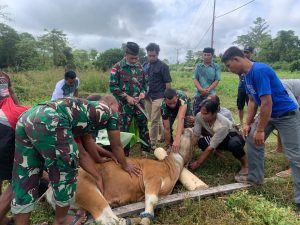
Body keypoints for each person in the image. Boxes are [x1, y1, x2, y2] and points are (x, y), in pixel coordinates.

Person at [11, 96, 140, 225]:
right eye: (118, 108)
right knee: (65, 171)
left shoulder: (83, 111)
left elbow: (83, 152)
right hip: (51, 118)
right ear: (112, 104)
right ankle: (61, 220)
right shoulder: (110, 113)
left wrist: (99, 166)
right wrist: (125, 164)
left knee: (26, 174)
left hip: (28, 116)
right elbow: (116, 145)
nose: (119, 112)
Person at [222, 46, 300, 210]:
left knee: (295, 156)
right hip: (269, 113)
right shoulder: (244, 76)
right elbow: (252, 100)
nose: (229, 70)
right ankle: (255, 179)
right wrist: (249, 123)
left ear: (237, 59)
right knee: (251, 138)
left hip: (286, 114)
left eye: (229, 66)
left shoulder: (259, 70)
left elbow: (267, 102)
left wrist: (260, 130)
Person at [109, 41, 151, 154]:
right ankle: (124, 152)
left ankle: (146, 149)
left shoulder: (140, 67)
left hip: (139, 103)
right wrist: (126, 97)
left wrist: (143, 93)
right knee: (124, 129)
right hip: (124, 106)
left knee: (143, 125)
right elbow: (112, 86)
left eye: (136, 58)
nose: (134, 60)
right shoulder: (117, 68)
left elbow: (146, 84)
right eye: (132, 58)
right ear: (126, 54)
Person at [189, 99, 247, 175]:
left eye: (206, 114)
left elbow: (210, 147)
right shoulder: (199, 116)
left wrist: (198, 163)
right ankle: (217, 152)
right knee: (202, 142)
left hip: (232, 136)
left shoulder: (222, 124)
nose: (202, 116)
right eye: (202, 113)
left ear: (214, 113)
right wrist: (189, 154)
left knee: (234, 145)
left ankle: (245, 165)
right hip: (217, 137)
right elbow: (196, 135)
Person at [0, 71, 28, 224]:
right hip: (4, 120)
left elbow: (10, 93)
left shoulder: (4, 75)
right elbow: (11, 95)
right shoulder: (3, 75)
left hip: (5, 118)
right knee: (20, 174)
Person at [144, 43, 172, 150]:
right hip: (147, 96)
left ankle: (152, 142)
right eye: (149, 55)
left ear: (157, 54)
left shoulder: (163, 66)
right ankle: (162, 135)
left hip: (159, 95)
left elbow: (168, 83)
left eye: (153, 56)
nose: (151, 58)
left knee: (154, 120)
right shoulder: (145, 65)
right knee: (152, 117)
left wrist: (167, 97)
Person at [274, 79, 300, 178]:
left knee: (293, 133)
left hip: (295, 105)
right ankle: (279, 148)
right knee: (282, 122)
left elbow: (293, 107)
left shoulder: (281, 86)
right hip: (295, 100)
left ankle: (294, 169)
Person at [193, 47, 221, 115]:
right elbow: (195, 79)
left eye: (208, 55)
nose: (206, 57)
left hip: (211, 94)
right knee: (197, 112)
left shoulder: (216, 67)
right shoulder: (198, 66)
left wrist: (208, 90)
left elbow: (217, 80)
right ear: (202, 55)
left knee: (211, 113)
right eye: (205, 55)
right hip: (199, 94)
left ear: (212, 56)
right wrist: (201, 89)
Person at [236, 46, 254, 127]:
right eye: (244, 52)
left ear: (251, 53)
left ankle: (249, 122)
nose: (245, 54)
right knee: (240, 105)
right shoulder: (240, 63)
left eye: (247, 52)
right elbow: (240, 75)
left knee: (251, 105)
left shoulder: (254, 64)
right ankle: (241, 122)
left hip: (250, 88)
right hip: (242, 87)